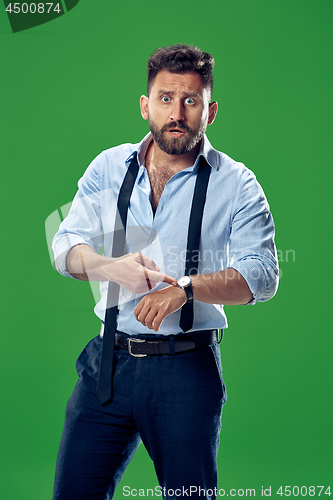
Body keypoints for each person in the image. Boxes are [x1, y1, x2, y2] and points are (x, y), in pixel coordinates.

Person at [51, 44, 279, 500]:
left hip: (185, 370)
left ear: (210, 111)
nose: (177, 112)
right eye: (165, 98)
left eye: (190, 101)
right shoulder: (109, 166)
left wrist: (187, 289)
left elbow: (263, 275)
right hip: (107, 365)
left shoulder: (236, 182)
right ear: (145, 105)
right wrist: (107, 266)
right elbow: (64, 246)